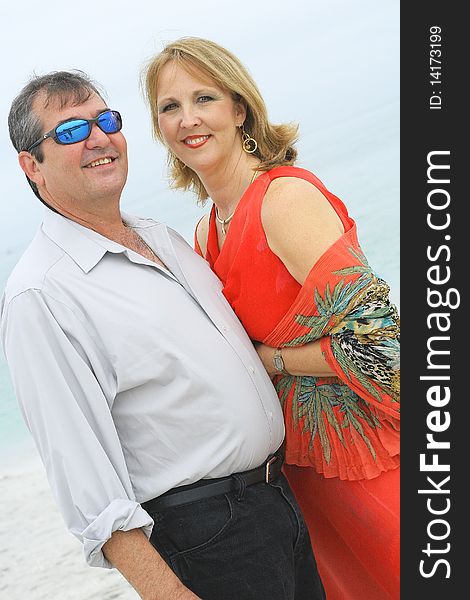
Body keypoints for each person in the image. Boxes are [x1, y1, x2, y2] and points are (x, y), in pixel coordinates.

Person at [1, 70, 327, 600]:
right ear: (31, 166)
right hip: (207, 538)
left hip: (277, 504)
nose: (99, 138)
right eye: (69, 131)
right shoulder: (41, 295)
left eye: (106, 120)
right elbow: (89, 491)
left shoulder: (164, 238)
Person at [144, 37, 400, 600]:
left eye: (204, 98)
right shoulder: (205, 232)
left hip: (370, 458)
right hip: (301, 474)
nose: (188, 119)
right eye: (169, 106)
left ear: (239, 109)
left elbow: (386, 347)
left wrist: (273, 360)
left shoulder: (282, 200)